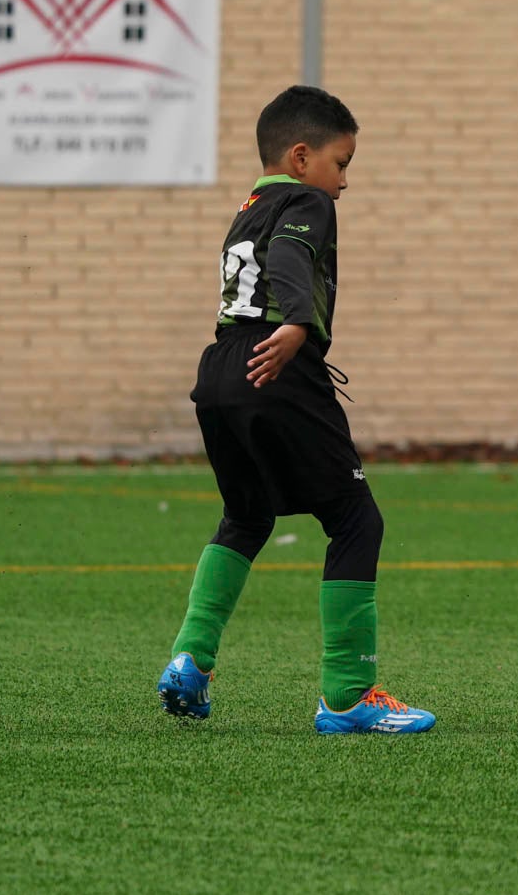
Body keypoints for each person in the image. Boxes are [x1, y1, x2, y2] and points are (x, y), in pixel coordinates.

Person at [156, 84, 434, 735]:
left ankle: (192, 660)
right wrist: (300, 326)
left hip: (221, 367)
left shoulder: (249, 206)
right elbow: (288, 258)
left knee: (247, 516)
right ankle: (347, 695)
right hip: (276, 366)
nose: (344, 183)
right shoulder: (307, 199)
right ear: (303, 156)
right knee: (354, 519)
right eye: (343, 164)